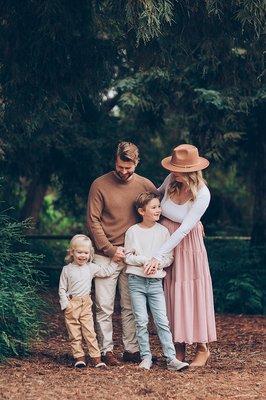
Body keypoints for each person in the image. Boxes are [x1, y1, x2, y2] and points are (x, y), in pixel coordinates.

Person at [147, 144, 217, 367]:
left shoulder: (202, 194)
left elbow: (185, 228)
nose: (172, 171)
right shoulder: (171, 180)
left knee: (191, 291)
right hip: (166, 238)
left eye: (177, 168)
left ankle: (202, 347)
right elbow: (155, 197)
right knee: (171, 292)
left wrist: (158, 255)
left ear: (190, 171)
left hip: (186, 243)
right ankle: (178, 345)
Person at [87, 142, 156, 365]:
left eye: (129, 168)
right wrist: (109, 249)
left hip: (133, 256)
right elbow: (93, 220)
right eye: (120, 166)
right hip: (105, 254)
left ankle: (132, 349)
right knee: (104, 306)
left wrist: (195, 224)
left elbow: (159, 211)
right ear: (115, 161)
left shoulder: (145, 185)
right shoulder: (99, 184)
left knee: (131, 305)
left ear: (137, 163)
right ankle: (107, 350)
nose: (124, 172)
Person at [124, 192, 189, 371]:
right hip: (136, 282)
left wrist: (157, 264)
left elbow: (169, 257)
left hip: (155, 283)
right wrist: (145, 261)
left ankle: (171, 359)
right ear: (141, 211)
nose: (158, 210)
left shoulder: (163, 231)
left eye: (159, 206)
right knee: (142, 320)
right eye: (153, 207)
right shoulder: (133, 231)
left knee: (162, 321)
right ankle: (146, 357)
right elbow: (128, 257)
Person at [59, 234, 119, 368]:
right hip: (72, 303)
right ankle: (79, 357)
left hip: (86, 303)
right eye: (79, 252)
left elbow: (106, 272)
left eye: (86, 253)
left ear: (90, 253)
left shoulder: (91, 267)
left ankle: (96, 358)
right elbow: (62, 289)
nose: (82, 255)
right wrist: (66, 305)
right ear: (72, 252)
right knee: (74, 332)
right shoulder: (67, 270)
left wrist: (115, 261)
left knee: (89, 331)